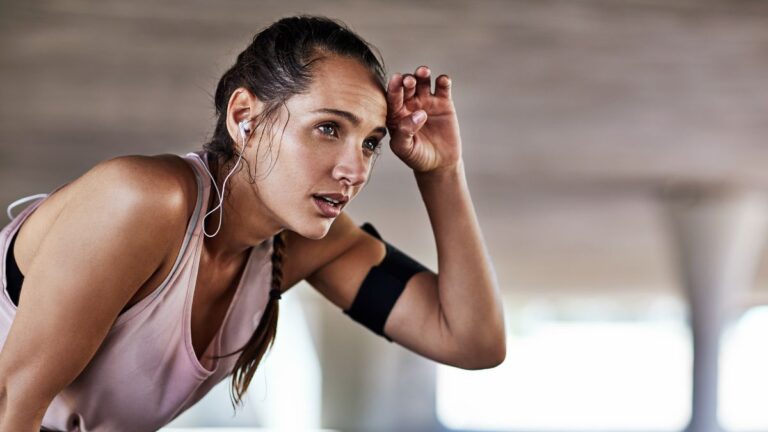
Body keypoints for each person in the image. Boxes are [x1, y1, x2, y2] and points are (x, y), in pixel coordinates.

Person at [0, 15, 506, 431]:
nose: (354, 170)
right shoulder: (145, 201)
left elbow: (471, 341)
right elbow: (10, 405)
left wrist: (442, 173)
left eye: (371, 143)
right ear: (245, 118)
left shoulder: (302, 248)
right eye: (328, 128)